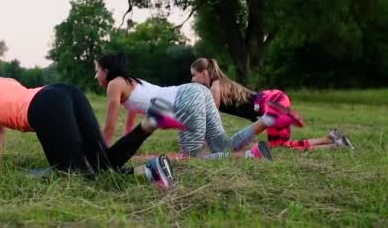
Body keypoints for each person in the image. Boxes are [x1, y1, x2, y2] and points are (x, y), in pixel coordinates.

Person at [0, 51, 184, 188]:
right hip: (65, 91)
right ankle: (150, 127)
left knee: (76, 175)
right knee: (102, 161)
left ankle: (147, 167)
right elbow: (0, 131)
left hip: (46, 106)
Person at [95, 53, 273, 160]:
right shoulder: (131, 82)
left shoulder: (114, 85)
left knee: (191, 159)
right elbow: (130, 124)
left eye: (97, 70)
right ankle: (266, 119)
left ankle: (250, 155)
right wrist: (127, 147)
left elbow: (109, 128)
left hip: (185, 99)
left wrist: (100, 157)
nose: (96, 76)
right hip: (198, 92)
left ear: (106, 71)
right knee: (223, 146)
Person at [190, 57, 355, 151]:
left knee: (280, 149)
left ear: (204, 73)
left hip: (269, 103)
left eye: (194, 75)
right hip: (272, 100)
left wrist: (201, 141)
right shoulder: (220, 83)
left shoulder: (215, 87)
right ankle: (334, 141)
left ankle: (280, 115)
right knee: (283, 147)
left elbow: (212, 119)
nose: (192, 80)